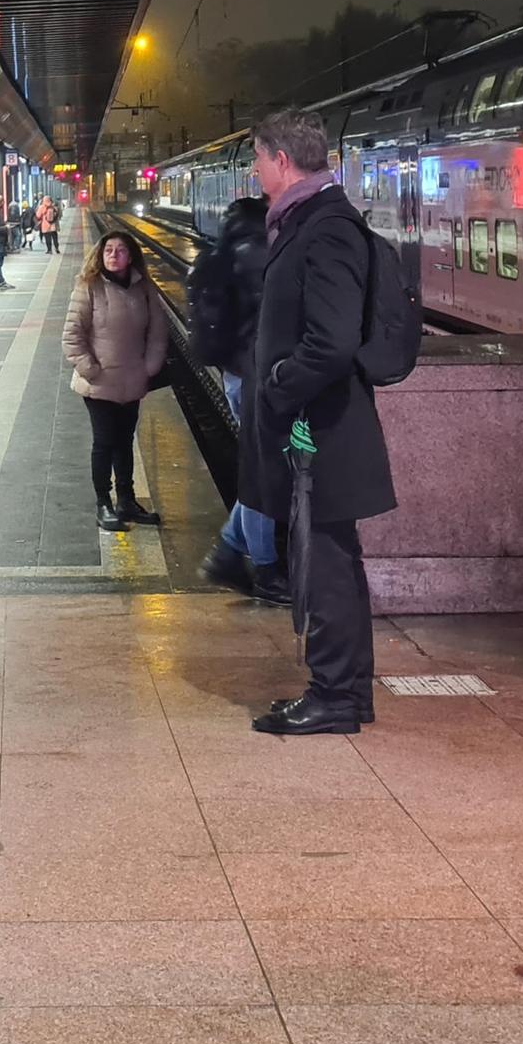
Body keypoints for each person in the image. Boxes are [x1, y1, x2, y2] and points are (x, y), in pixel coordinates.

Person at [244, 109, 394, 737]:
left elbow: (330, 342)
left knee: (323, 557)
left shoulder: (326, 227)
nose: (253, 172)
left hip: (317, 428)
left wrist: (280, 384)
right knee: (331, 554)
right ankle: (347, 691)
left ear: (282, 160)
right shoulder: (312, 219)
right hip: (318, 422)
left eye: (256, 159)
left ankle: (334, 695)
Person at [192, 194, 287, 605]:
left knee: (261, 467)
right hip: (257, 375)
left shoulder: (223, 251)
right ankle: (265, 570)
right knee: (262, 475)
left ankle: (229, 552)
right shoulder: (259, 254)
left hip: (235, 372)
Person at [63, 228, 169, 532]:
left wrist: (149, 367)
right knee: (104, 442)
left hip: (132, 380)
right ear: (100, 254)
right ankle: (103, 503)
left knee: (125, 442)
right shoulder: (89, 287)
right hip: (99, 383)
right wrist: (91, 369)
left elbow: (158, 333)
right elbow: (72, 335)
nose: (114, 255)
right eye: (109, 250)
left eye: (121, 250)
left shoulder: (143, 288)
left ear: (131, 256)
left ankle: (126, 500)